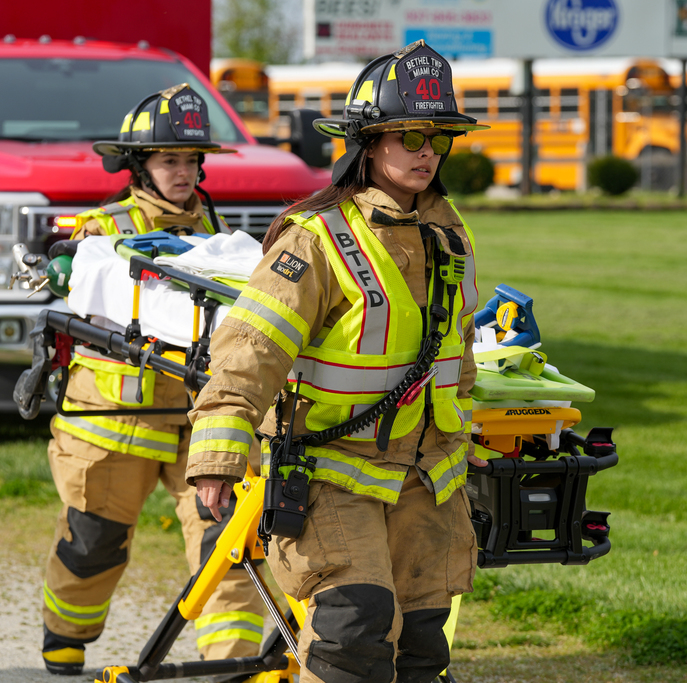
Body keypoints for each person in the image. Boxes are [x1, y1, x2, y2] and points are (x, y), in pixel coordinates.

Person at [186, 41, 490, 683]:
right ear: (368, 143)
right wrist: (216, 458)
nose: (426, 149)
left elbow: (457, 352)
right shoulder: (316, 240)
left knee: (424, 648)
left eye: (436, 135)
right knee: (356, 629)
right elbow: (248, 354)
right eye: (408, 134)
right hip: (330, 470)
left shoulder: (450, 234)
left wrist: (470, 444)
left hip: (427, 474)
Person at [41, 84, 264, 678]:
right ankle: (65, 641)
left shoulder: (215, 231)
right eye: (169, 160)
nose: (184, 173)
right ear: (138, 165)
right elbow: (69, 274)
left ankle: (232, 665)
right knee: (94, 543)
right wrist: (68, 259)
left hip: (201, 419)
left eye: (192, 161)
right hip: (115, 422)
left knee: (228, 545)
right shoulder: (103, 229)